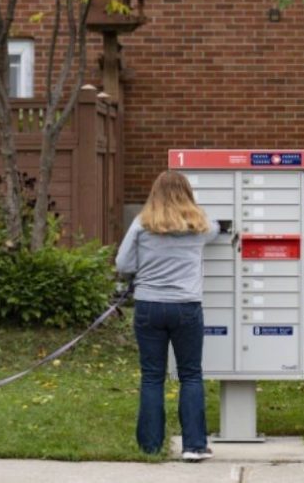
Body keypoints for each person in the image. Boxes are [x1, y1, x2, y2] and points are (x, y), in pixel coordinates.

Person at [115, 170, 223, 462]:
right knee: (190, 375)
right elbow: (219, 227)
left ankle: (150, 447)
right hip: (186, 307)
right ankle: (194, 446)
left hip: (149, 306)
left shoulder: (142, 223)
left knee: (152, 377)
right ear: (188, 193)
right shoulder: (199, 226)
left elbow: (123, 263)